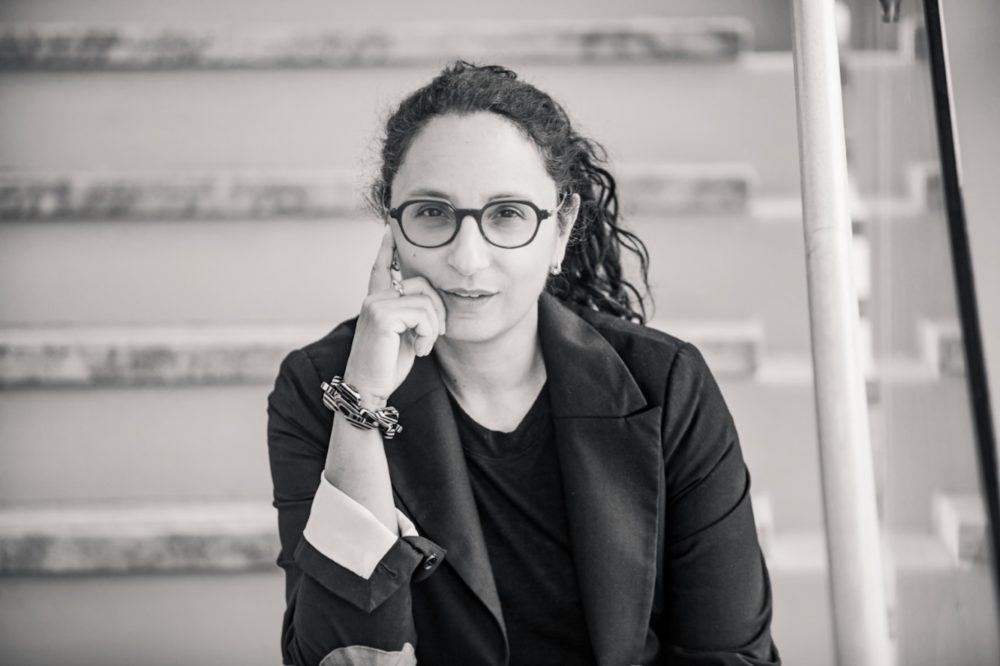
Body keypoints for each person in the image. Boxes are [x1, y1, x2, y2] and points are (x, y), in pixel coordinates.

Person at [267, 61, 780, 666]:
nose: (466, 258)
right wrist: (362, 411)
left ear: (561, 229)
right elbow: (341, 659)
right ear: (392, 226)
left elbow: (728, 654)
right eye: (432, 212)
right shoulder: (322, 388)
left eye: (507, 214)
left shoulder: (666, 384)